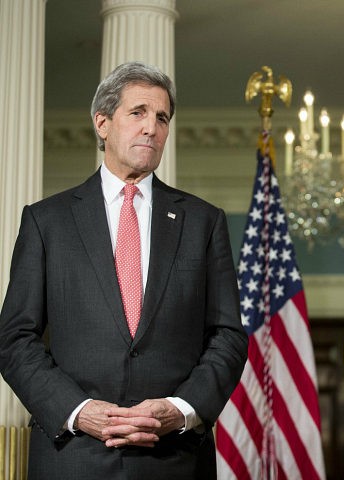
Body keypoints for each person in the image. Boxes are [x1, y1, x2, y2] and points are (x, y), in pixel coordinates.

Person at [0, 62, 248, 479]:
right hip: (73, 457)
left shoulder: (204, 221)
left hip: (174, 458)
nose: (152, 127)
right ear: (102, 123)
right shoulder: (47, 221)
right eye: (138, 113)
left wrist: (180, 409)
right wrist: (80, 412)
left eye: (162, 117)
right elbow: (14, 338)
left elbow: (227, 335)